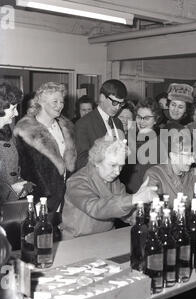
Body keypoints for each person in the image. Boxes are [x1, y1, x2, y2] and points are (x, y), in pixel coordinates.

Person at [61, 137, 158, 239]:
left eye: (121, 166)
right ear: (97, 162)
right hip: (78, 240)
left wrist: (143, 214)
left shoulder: (114, 181)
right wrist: (134, 199)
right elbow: (95, 208)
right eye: (113, 165)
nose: (117, 172)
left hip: (108, 236)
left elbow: (125, 213)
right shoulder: (76, 182)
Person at [14, 82, 77, 240]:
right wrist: (40, 200)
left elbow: (70, 165)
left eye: (62, 101)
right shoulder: (24, 130)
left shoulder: (66, 127)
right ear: (40, 102)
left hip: (66, 198)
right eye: (55, 101)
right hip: (39, 201)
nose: (60, 105)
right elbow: (25, 170)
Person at [143, 128, 196, 208]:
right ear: (172, 156)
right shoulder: (154, 175)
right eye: (187, 156)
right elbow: (152, 209)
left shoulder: (195, 175)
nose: (191, 160)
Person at [75, 79, 126, 170]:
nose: (117, 107)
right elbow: (81, 162)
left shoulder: (118, 123)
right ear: (102, 97)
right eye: (114, 102)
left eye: (121, 104)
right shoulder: (83, 124)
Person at [120, 97, 162, 194]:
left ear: (156, 120)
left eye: (146, 118)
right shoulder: (127, 138)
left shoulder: (161, 144)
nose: (141, 122)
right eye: (139, 117)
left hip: (146, 195)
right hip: (124, 195)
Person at [0, 83, 33, 201]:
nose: (17, 114)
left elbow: (11, 171)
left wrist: (19, 183)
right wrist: (11, 189)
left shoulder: (8, 134)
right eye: (13, 109)